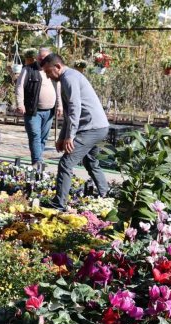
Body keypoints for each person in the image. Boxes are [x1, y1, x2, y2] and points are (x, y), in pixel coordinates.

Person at [39, 53, 110, 211]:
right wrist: (61, 137)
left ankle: (59, 204)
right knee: (90, 162)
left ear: (58, 67)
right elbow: (68, 114)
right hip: (100, 126)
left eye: (49, 72)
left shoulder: (68, 78)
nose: (49, 77)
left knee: (66, 163)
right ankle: (106, 195)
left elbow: (74, 109)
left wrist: (70, 137)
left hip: (91, 128)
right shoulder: (70, 76)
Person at [15, 47, 62, 171]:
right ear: (36, 57)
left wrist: (60, 105)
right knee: (35, 136)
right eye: (40, 58)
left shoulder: (52, 71)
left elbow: (58, 88)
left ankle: (38, 160)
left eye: (45, 58)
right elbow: (19, 87)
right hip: (33, 110)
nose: (42, 60)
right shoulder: (28, 70)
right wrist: (20, 104)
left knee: (43, 138)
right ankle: (37, 162)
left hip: (49, 111)